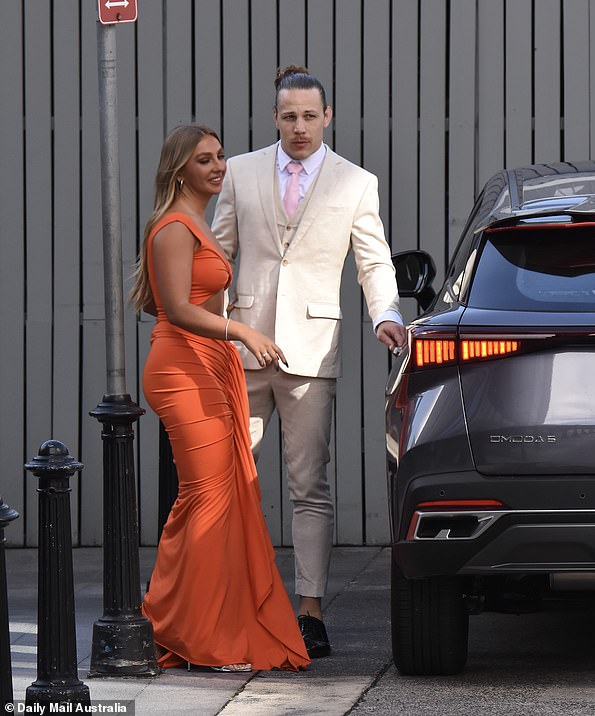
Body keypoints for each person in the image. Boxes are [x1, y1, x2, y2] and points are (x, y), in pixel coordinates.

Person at [212, 66, 406, 658]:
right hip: (242, 346)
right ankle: (230, 601)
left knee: (308, 486)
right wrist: (212, 329)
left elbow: (373, 261)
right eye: (288, 116)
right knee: (228, 480)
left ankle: (310, 612)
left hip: (310, 350)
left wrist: (385, 315)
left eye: (309, 116)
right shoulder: (241, 172)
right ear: (275, 118)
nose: (299, 127)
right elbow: (218, 254)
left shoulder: (355, 183)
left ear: (328, 118)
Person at [131, 124, 310, 672]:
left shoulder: (193, 225)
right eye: (203, 159)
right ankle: (177, 625)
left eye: (220, 156)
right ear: (179, 169)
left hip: (202, 365)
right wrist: (244, 333)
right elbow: (174, 312)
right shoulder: (174, 227)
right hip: (182, 371)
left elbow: (169, 300)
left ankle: (192, 621)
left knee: (218, 497)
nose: (217, 165)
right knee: (205, 499)